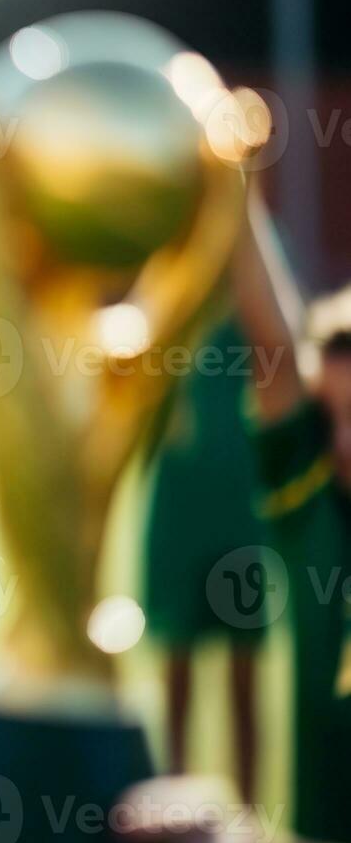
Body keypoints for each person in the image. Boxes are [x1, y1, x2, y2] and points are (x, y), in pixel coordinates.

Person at [229, 184, 351, 843]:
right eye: (331, 418)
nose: (344, 443)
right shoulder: (305, 491)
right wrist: (232, 188)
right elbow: (272, 344)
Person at [142, 314, 269, 800]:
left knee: (244, 678)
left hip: (240, 505)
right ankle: (171, 815)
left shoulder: (247, 303)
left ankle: (249, 822)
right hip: (178, 509)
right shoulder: (170, 299)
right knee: (176, 675)